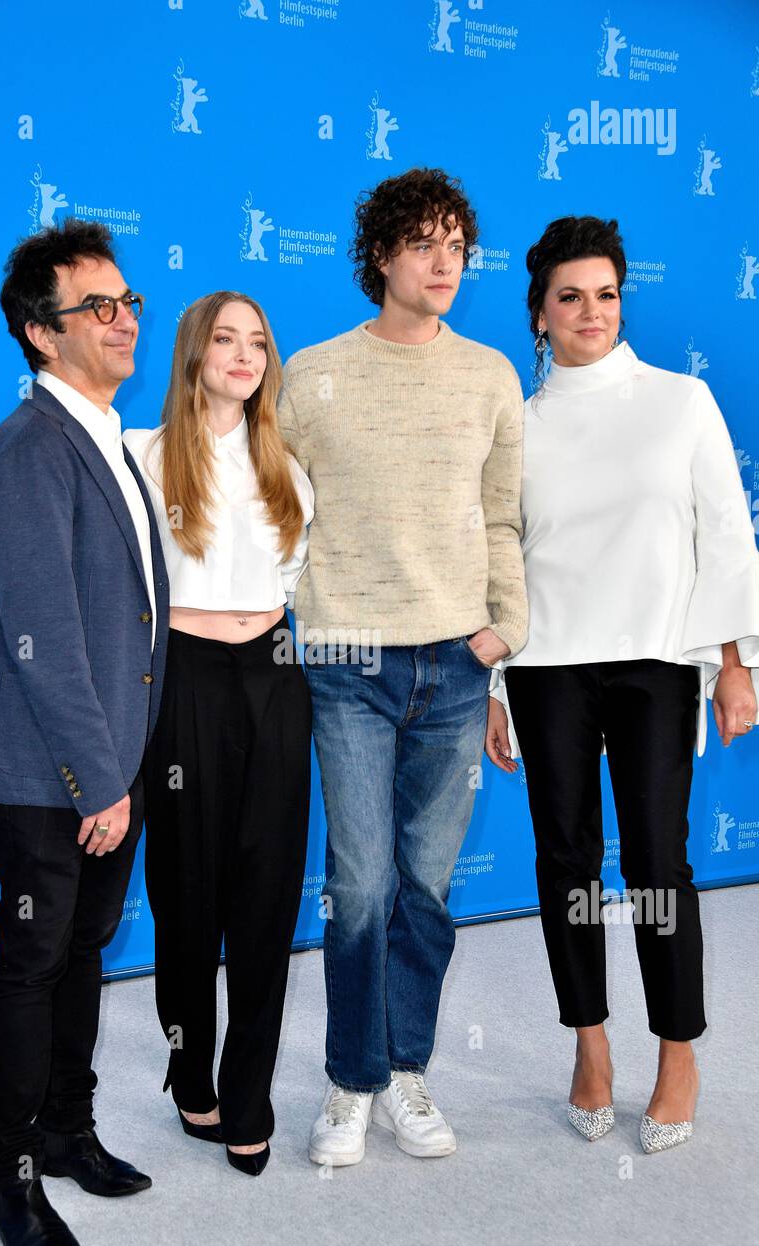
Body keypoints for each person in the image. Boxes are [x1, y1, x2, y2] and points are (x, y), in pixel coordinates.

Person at [485, 215, 759, 1152]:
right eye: (571, 297)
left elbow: (724, 532)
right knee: (566, 864)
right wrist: (493, 690)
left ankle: (677, 1054)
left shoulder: (680, 401)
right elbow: (502, 555)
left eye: (605, 294)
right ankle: (590, 1047)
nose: (590, 312)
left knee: (658, 864)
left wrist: (736, 664)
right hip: (548, 665)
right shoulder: (515, 426)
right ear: (540, 315)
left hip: (656, 661)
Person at [276, 167, 528, 1167]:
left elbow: (504, 519)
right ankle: (351, 1081)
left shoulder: (492, 375)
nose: (444, 263)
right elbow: (272, 509)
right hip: (345, 660)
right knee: (361, 882)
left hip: (457, 666)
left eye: (457, 246)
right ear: (380, 254)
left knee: (424, 884)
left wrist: (503, 633)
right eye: (423, 244)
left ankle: (406, 1068)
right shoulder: (312, 372)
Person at [0, 219, 169, 1246]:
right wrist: (97, 778)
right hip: (51, 771)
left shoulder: (110, 440)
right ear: (42, 335)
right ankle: (14, 1177)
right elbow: (42, 638)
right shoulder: (28, 447)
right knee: (35, 958)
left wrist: (122, 771)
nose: (126, 319)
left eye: (130, 301)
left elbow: (122, 623)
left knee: (82, 948)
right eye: (100, 307)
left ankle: (66, 1128)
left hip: (104, 769)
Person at [123, 291, 314, 1178]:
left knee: (267, 899)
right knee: (186, 895)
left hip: (273, 678)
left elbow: (300, 584)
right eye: (227, 339)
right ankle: (189, 1067)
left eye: (259, 342)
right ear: (195, 352)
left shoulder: (288, 469)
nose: (245, 355)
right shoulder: (141, 456)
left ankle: (251, 1094)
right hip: (184, 680)